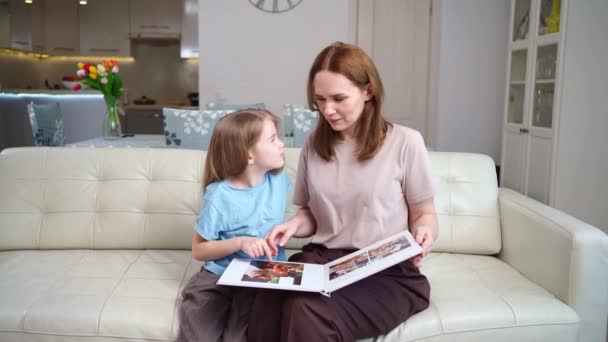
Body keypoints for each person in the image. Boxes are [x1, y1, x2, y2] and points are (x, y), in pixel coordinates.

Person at [248, 42, 438, 342]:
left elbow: (424, 213)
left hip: (384, 270)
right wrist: (292, 226)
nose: (327, 110)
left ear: (368, 91)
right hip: (324, 261)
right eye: (320, 100)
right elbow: (310, 213)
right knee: (267, 291)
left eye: (338, 98)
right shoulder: (315, 144)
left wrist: (424, 233)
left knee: (306, 309)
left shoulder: (406, 142)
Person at [177, 109, 292, 342]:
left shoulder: (279, 180)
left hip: (261, 275)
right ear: (248, 155)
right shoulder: (218, 195)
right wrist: (240, 242)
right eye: (272, 139)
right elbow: (199, 250)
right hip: (218, 275)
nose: (281, 144)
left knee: (238, 335)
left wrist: (288, 229)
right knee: (199, 331)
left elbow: (308, 212)